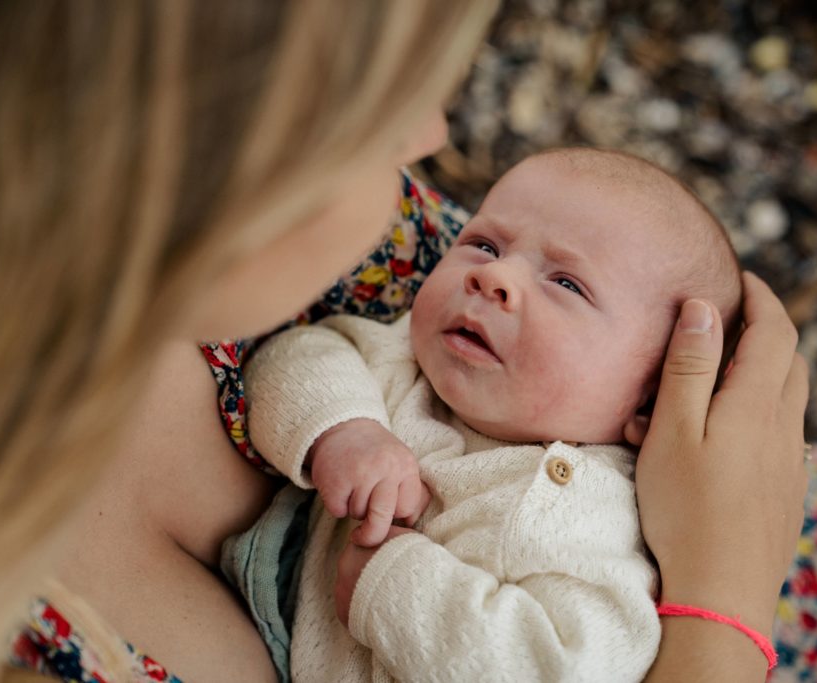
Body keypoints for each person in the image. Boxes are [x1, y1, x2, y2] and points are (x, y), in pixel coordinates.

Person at [0, 2, 817, 682]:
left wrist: (734, 518)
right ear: (194, 162)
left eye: (560, 279)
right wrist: (723, 597)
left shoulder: (336, 273)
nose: (429, 132)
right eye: (374, 114)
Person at [234, 148, 742, 681]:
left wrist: (397, 586)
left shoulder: (598, 518)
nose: (494, 274)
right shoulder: (402, 360)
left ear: (648, 403)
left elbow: (567, 668)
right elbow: (290, 357)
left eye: (566, 284)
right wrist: (342, 430)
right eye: (483, 244)